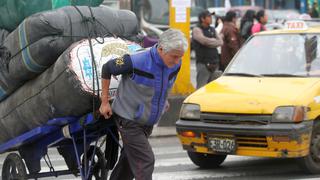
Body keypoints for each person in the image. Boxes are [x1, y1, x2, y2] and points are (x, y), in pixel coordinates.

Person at [99, 29, 187, 180]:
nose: (177, 61)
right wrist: (105, 102)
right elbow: (107, 68)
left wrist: (164, 99)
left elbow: (166, 84)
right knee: (145, 160)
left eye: (180, 57)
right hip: (128, 120)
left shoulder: (175, 65)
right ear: (161, 49)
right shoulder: (136, 61)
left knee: (129, 161)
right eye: (174, 56)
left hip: (147, 121)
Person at [192, 10, 223, 89]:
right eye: (209, 17)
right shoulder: (197, 29)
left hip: (214, 63)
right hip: (203, 64)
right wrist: (213, 41)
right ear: (203, 19)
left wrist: (210, 42)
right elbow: (204, 41)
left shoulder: (212, 29)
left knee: (213, 88)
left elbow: (220, 42)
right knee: (201, 88)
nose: (211, 18)